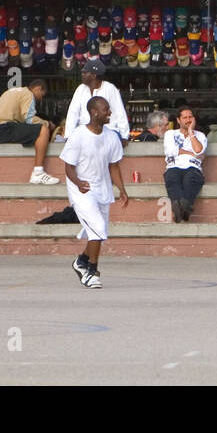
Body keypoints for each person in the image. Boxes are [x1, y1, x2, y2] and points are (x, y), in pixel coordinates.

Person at [61, 96, 129, 289]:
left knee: (98, 232)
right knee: (97, 227)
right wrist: (79, 183)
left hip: (103, 189)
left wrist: (122, 190)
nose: (109, 113)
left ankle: (81, 261)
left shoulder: (111, 137)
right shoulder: (78, 135)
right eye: (106, 109)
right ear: (94, 112)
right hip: (81, 191)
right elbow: (68, 167)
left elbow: (114, 166)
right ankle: (92, 272)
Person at [0, 78, 57, 184]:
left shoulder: (13, 91)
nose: (41, 99)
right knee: (43, 130)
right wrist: (47, 123)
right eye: (42, 94)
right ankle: (38, 173)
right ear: (38, 88)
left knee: (32, 130)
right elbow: (29, 118)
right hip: (3, 127)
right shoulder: (28, 94)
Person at [64, 59, 129, 142]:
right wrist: (68, 135)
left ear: (94, 75)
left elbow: (119, 112)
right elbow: (73, 113)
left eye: (85, 73)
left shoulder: (110, 89)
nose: (82, 75)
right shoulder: (80, 89)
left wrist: (124, 136)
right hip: (84, 132)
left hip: (108, 131)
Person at [164, 106, 206, 223]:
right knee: (172, 179)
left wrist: (191, 132)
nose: (188, 120)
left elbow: (198, 151)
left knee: (190, 180)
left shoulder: (200, 135)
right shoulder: (170, 134)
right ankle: (183, 211)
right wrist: (190, 153)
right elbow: (169, 151)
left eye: (190, 117)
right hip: (173, 166)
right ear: (178, 120)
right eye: (185, 117)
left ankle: (180, 210)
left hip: (193, 168)